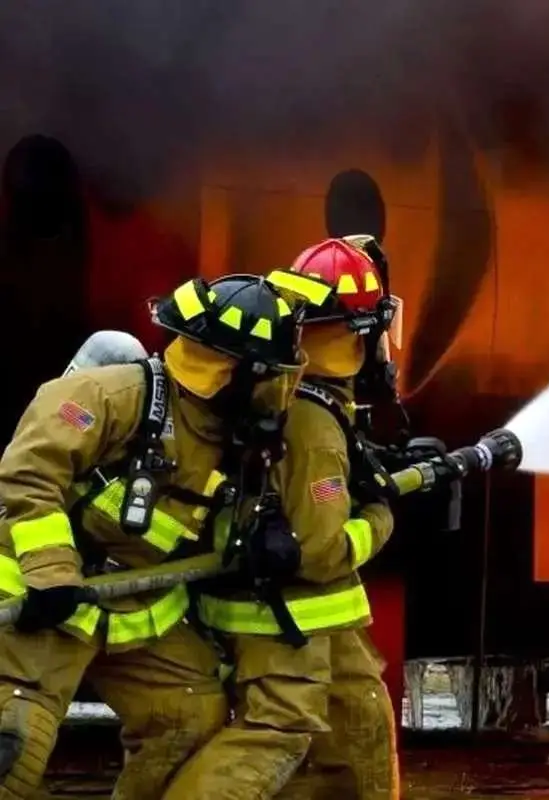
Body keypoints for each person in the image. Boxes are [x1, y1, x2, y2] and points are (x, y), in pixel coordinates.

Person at [0, 273, 306, 799]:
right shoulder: (107, 394)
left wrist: (262, 534)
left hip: (135, 607)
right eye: (273, 377)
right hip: (47, 601)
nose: (279, 393)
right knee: (14, 748)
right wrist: (51, 572)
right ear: (239, 371)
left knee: (189, 719)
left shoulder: (236, 435)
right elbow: (28, 476)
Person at [168, 237, 403, 800]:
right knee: (277, 738)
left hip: (308, 619)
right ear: (361, 330)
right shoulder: (313, 422)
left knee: (356, 735)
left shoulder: (288, 393)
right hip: (288, 617)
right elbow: (321, 551)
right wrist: (380, 515)